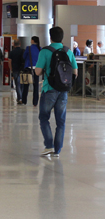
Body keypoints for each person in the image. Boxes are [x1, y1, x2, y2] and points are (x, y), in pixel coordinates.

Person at [35, 26, 78, 157]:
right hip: (63, 91)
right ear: (62, 37)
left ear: (50, 37)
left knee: (44, 117)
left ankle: (49, 145)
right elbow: (75, 72)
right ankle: (57, 150)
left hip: (49, 89)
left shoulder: (45, 51)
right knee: (61, 121)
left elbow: (37, 71)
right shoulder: (68, 51)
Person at [22, 36, 41, 106]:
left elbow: (24, 57)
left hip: (28, 68)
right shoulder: (40, 48)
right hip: (37, 69)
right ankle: (35, 102)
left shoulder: (28, 48)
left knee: (26, 85)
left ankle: (24, 101)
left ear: (32, 40)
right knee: (36, 86)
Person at [8, 40, 24, 104]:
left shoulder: (12, 52)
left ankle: (19, 98)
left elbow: (9, 62)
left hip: (15, 69)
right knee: (22, 84)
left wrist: (11, 69)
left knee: (17, 84)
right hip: (22, 70)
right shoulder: (23, 51)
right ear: (20, 44)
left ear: (14, 44)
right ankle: (22, 97)